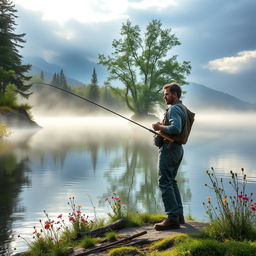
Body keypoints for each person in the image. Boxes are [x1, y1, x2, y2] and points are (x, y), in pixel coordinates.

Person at [152, 82, 187, 230]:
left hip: (170, 149)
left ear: (174, 94)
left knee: (164, 182)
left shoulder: (174, 109)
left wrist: (160, 127)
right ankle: (178, 215)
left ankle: (172, 218)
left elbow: (176, 128)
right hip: (177, 149)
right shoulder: (182, 108)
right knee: (171, 181)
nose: (164, 97)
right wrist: (163, 127)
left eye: (166, 94)